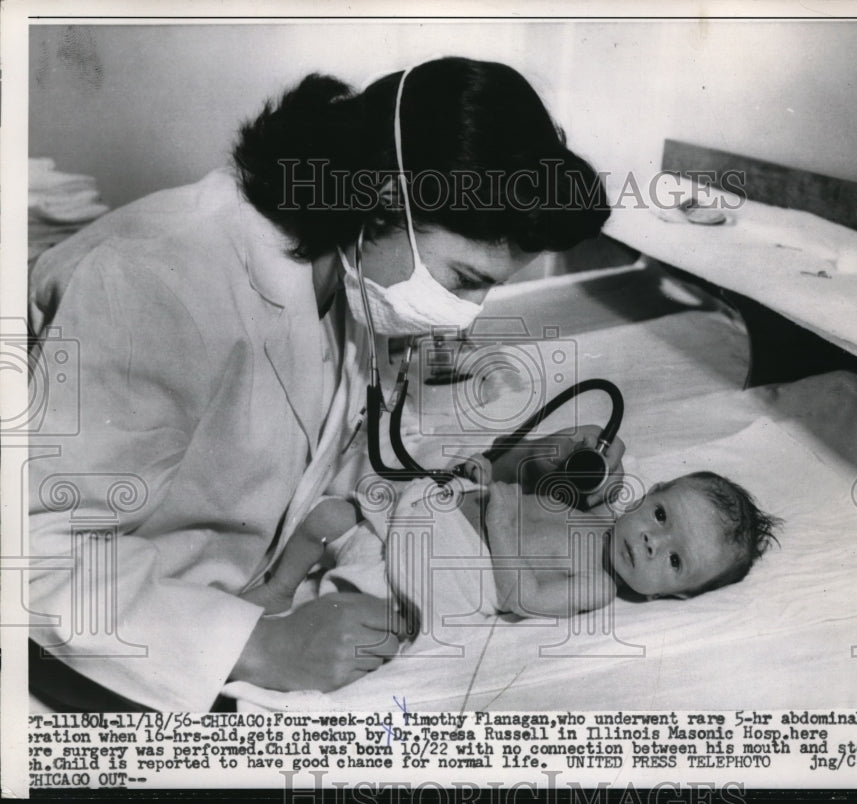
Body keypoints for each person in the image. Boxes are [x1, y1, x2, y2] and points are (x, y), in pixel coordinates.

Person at [27, 57, 615, 712]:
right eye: (464, 279)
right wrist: (256, 648)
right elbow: (31, 553)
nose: (466, 315)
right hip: (112, 652)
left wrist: (502, 468)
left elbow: (344, 463)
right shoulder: (156, 278)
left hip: (245, 596)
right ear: (388, 202)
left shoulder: (355, 270)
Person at [246, 470, 780, 623]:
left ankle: (299, 616)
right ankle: (277, 586)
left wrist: (499, 522)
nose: (649, 541)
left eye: (673, 560)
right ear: (649, 493)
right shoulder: (597, 514)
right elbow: (528, 497)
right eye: (661, 516)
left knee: (364, 607)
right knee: (329, 514)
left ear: (675, 594)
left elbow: (520, 597)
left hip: (443, 568)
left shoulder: (597, 587)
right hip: (431, 514)